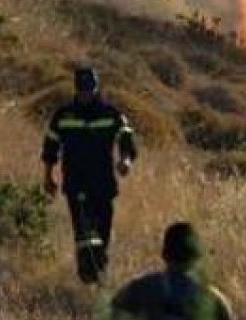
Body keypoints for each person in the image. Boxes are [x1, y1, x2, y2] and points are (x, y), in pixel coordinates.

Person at [42, 66, 138, 284]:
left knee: (102, 230)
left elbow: (126, 140)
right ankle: (88, 275)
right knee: (84, 231)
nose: (86, 94)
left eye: (90, 90)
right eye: (82, 90)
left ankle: (99, 271)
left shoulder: (111, 114)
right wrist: (48, 177)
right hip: (76, 184)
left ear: (96, 89)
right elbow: (50, 147)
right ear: (76, 90)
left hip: (103, 184)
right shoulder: (63, 115)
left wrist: (125, 160)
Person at [111, 222, 234, 320]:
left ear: (164, 255)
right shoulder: (213, 299)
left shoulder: (139, 289)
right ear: (196, 257)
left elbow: (112, 313)